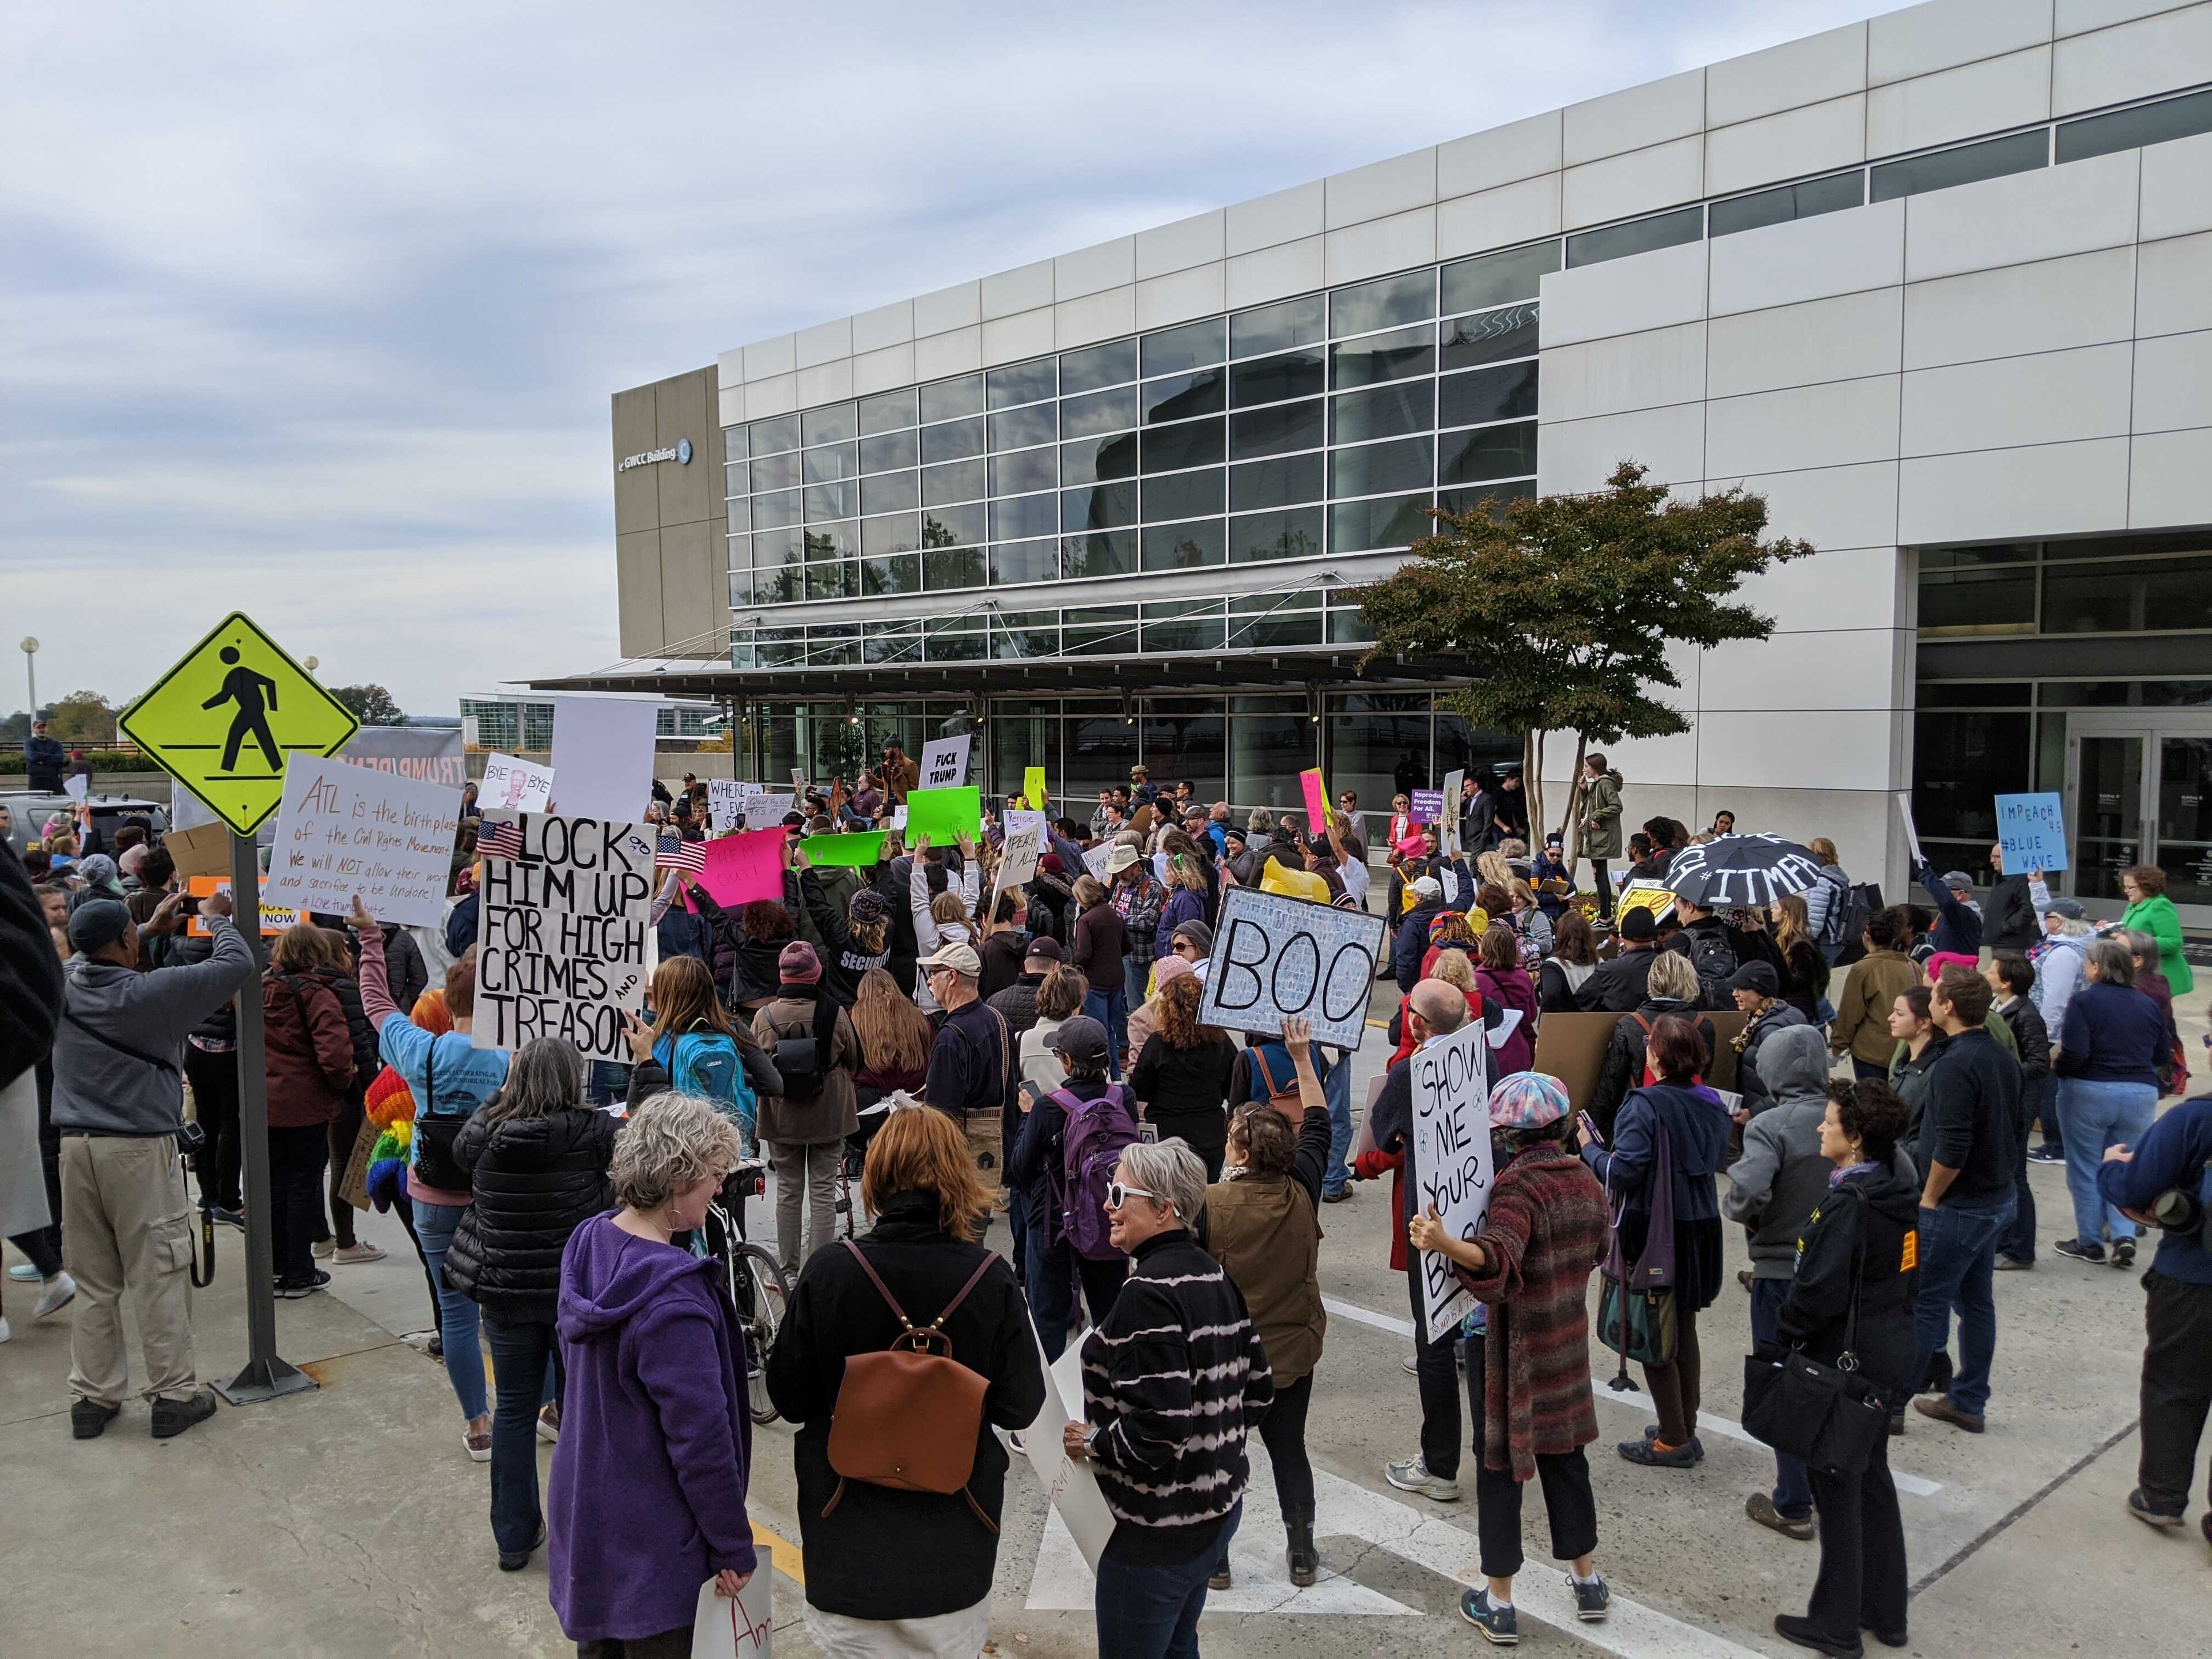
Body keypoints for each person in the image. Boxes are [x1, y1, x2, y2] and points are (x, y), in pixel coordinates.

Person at [763, 1103, 1043, 1655]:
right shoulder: (990, 1280)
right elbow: (1021, 1408)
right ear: (957, 1176)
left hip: (847, 1548)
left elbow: (788, 1399)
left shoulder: (830, 1272)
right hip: (956, 1550)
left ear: (876, 1175)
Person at [548, 1093, 757, 1657]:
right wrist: (732, 1545)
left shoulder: (590, 1240)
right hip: (655, 1547)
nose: (720, 1189)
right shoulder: (675, 1301)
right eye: (714, 1175)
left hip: (588, 1521)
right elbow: (702, 1443)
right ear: (677, 1175)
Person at [1410, 1073, 1613, 1642]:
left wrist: (1443, 1241)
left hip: (1511, 1346)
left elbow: (1497, 1260)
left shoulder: (1518, 1188)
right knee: (1566, 1457)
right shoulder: (1585, 1178)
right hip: (1566, 1341)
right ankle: (1588, 1582)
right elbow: (1600, 1248)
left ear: (1509, 1135)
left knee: (1501, 1464)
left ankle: (1498, 1602)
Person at [52, 889, 253, 1440]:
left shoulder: (63, 983)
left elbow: (87, 955)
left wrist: (148, 928)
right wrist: (216, 921)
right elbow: (236, 963)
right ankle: (172, 1395)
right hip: (140, 1150)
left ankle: (93, 1399)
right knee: (159, 1275)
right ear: (123, 940)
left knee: (94, 1282)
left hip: (75, 1148)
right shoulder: (154, 994)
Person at [1063, 1137, 1272, 1658]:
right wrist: (1211, 1439)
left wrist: (1093, 1440)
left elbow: (1157, 1434)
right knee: (1180, 1647)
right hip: (1216, 1513)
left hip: (1156, 1535)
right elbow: (1261, 1390)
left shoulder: (1147, 1295)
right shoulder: (1213, 1272)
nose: (1107, 1205)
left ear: (1163, 1208)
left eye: (1118, 1194)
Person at [1725, 1031, 1918, 1543]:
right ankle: (1834, 1478)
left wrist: (1755, 1219)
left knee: (1792, 1389)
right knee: (1836, 1392)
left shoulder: (1770, 1126)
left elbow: (1744, 1195)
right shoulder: (1870, 1130)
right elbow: (1907, 1182)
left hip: (1782, 1274)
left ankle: (1794, 1502)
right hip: (1860, 1294)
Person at [442, 1038, 615, 1571]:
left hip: (506, 1293)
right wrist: (650, 1064)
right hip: (571, 1295)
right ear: (573, 1080)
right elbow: (648, 1131)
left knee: (514, 1412)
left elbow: (460, 1150)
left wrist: (503, 1088)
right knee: (580, 1414)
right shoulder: (592, 1135)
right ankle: (579, 1531)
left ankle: (514, 1536)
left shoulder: (485, 1136)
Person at [355, 904, 512, 1459]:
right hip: (498, 1199)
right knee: (515, 1309)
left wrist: (371, 938)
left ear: (449, 1001)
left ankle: (478, 1425)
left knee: (456, 1316)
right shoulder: (516, 1057)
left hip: (432, 1198)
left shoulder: (421, 1052)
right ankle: (543, 1404)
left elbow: (376, 1003)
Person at [1770, 1081, 1921, 1656]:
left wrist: (1787, 1335)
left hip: (1846, 1361)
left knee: (1837, 1489)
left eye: (1830, 1122)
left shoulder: (1848, 1203)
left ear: (1856, 1139)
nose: (1819, 1129)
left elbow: (1815, 1292)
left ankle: (1836, 1626)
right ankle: (1888, 1614)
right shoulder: (1898, 1187)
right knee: (1874, 1480)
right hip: (1890, 1350)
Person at [1198, 1016, 1331, 1589]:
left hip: (1226, 1358)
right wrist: (1303, 1059)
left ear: (1243, 1155)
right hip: (1292, 1351)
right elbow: (1321, 1121)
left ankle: (1219, 1561)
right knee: (1289, 1450)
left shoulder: (1207, 1204)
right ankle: (1301, 1552)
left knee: (1221, 1458)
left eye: (1231, 1141)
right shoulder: (1303, 1186)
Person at [1579, 1014, 1732, 1468]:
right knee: (1682, 1324)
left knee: (1652, 1331)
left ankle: (1672, 1438)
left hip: (1656, 1228)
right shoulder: (1713, 1102)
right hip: (1702, 1223)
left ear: (1658, 1056)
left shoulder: (1645, 1105)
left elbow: (1623, 1172)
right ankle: (1684, 1422)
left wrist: (1589, 1147)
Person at [1368, 980, 1475, 1501]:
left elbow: (1383, 1132)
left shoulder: (1412, 1070)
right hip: (1475, 1213)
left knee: (1433, 1338)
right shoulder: (1479, 1057)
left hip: (1429, 1223)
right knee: (1473, 1334)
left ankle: (1440, 1466)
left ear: (1415, 1024)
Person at [2096, 1082, 2212, 1536]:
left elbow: (2136, 1185)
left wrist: (2111, 1168)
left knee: (2173, 1386)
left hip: (2193, 1277)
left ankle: (2161, 1497)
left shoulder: (2195, 1119)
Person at [1910, 967, 2020, 1434]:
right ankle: (1968, 1401)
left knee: (1923, 1303)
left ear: (1948, 1007)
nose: (1930, 1001)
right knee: (1976, 1304)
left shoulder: (1955, 1065)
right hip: (1995, 1199)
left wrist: (1930, 1199)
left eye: (1934, 996)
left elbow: (1952, 1147)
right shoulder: (1998, 1055)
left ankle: (1890, 1405)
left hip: (1959, 1206)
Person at [2052, 939, 2166, 1270]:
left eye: (2088, 963)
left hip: (2090, 1089)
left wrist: (2060, 1071)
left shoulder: (2085, 1002)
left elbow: (2076, 1052)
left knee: (2086, 1167)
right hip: (2139, 1092)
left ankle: (2089, 1242)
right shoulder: (2148, 1005)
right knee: (2127, 1163)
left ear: (2098, 967)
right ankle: (2124, 1234)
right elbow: (2160, 1056)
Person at [752, 941, 860, 1275]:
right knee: (824, 1190)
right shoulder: (834, 1012)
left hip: (783, 1116)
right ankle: (820, 1268)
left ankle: (788, 1270)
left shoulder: (765, 1017)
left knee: (788, 1190)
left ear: (782, 975)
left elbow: (756, 1069)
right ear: (816, 974)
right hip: (829, 1112)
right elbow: (854, 1060)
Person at [260, 925, 357, 1297]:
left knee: (272, 1185)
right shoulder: (318, 995)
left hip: (264, 1105)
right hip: (305, 1106)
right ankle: (299, 1272)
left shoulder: (256, 990)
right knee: (302, 1185)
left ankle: (274, 1269)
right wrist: (342, 1085)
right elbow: (335, 1055)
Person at [1586, 950, 1716, 1140]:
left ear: (1653, 980)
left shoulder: (1631, 1025)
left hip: (1639, 1121)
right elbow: (1704, 1073)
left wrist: (1590, 1128)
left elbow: (1611, 1084)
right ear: (1689, 980)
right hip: (1688, 1122)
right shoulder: (1703, 1026)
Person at [1128, 971, 1238, 1181]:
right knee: (1205, 1200)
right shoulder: (1222, 1042)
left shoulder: (1157, 1045)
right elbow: (1230, 1088)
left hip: (1167, 1137)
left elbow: (1140, 1089)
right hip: (1210, 1134)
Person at [1987, 956, 2050, 1272]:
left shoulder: (2025, 1015)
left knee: (2015, 1175)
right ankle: (2003, 1241)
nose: (1987, 974)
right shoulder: (1997, 1007)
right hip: (2006, 1100)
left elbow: (2040, 1063)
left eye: (1992, 971)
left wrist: (2002, 1071)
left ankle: (2020, 1248)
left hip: (2019, 1104)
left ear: (2007, 981)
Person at [2026, 899, 2093, 1163]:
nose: (2045, 922)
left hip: (2052, 1033)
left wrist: (2042, 1035)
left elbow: (2056, 999)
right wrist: (2036, 886)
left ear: (2061, 922)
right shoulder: (2065, 944)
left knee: (2049, 1093)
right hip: (2054, 1030)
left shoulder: (2063, 954)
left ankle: (2057, 1147)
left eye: (2050, 917)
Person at [793, 846, 894, 1007]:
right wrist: (883, 864)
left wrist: (807, 870)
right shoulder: (888, 929)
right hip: (879, 1004)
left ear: (851, 912)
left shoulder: (841, 936)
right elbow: (889, 895)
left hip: (843, 1008)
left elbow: (818, 905)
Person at [1831, 907, 1923, 1081]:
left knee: (1872, 1103)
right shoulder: (1913, 966)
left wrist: (1837, 1045)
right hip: (1906, 1049)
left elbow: (1850, 1014)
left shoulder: (1863, 969)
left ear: (1866, 936)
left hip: (1870, 1053)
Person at [1729, 961, 1810, 1117]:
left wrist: (1754, 1112)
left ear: (1761, 993)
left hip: (1769, 1116)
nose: (1735, 994)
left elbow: (1788, 1085)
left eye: (1742, 989)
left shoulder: (1771, 1031)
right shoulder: (1784, 1014)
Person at [1071, 874, 1131, 1066]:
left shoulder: (1086, 920)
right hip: (1116, 976)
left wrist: (1071, 965)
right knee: (1117, 1022)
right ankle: (1123, 1055)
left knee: (1100, 1028)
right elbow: (1128, 945)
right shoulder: (1114, 914)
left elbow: (1084, 954)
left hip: (1095, 982)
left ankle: (1109, 1067)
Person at [1472, 924, 1538, 1074]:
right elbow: (1533, 1015)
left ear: (1484, 950)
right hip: (1521, 1047)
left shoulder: (1477, 981)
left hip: (1491, 1052)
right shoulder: (1523, 976)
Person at [2119, 863, 2194, 996]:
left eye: (2130, 887)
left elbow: (2173, 942)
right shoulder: (2134, 904)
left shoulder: (2160, 905)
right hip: (2139, 976)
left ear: (2146, 886)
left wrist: (2134, 943)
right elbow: (2130, 931)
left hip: (2159, 978)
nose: (2126, 891)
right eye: (2125, 887)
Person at [1580, 906, 1661, 1011]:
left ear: (1622, 938)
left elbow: (1582, 1000)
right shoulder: (1670, 968)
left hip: (1615, 1025)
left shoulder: (1609, 970)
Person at [1576, 753, 1623, 916]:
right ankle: (1605, 914)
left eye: (1587, 766)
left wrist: (1597, 816)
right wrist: (1584, 790)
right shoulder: (1598, 784)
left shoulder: (1604, 783)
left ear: (1595, 767)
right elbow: (1590, 806)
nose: (1584, 770)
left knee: (1600, 874)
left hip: (1602, 838)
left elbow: (1616, 806)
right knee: (1598, 874)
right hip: (1598, 837)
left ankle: (1605, 916)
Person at [1771, 893, 1830, 1025]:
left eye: (1776, 908)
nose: (1772, 910)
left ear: (1786, 914)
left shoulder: (1800, 944)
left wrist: (1781, 976)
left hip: (1797, 1007)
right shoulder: (1780, 939)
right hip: (1787, 1003)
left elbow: (1804, 978)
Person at [1982, 842, 2041, 953]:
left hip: (2010, 945)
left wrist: (2006, 927)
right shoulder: (2000, 879)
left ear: (2009, 858)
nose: (1992, 861)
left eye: (1997, 857)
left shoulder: (2021, 880)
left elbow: (2028, 909)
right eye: (1991, 857)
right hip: (1998, 942)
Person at [1915, 863, 1984, 957]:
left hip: (1956, 971)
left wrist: (1925, 874)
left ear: (1960, 894)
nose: (1940, 892)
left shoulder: (1966, 916)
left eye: (1945, 889)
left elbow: (1947, 902)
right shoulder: (1948, 915)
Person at [1537, 908, 1599, 1013]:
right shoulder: (1599, 962)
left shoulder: (1553, 966)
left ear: (1560, 937)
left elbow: (1550, 997)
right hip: (1595, 1023)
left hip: (1563, 1024)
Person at [24, 717, 66, 794]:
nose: (42, 730)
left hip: (53, 778)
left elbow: (60, 758)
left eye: (43, 727)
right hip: (36, 779)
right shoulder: (29, 743)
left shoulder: (56, 743)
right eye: (39, 728)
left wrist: (41, 760)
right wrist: (51, 758)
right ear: (34, 730)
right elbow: (32, 756)